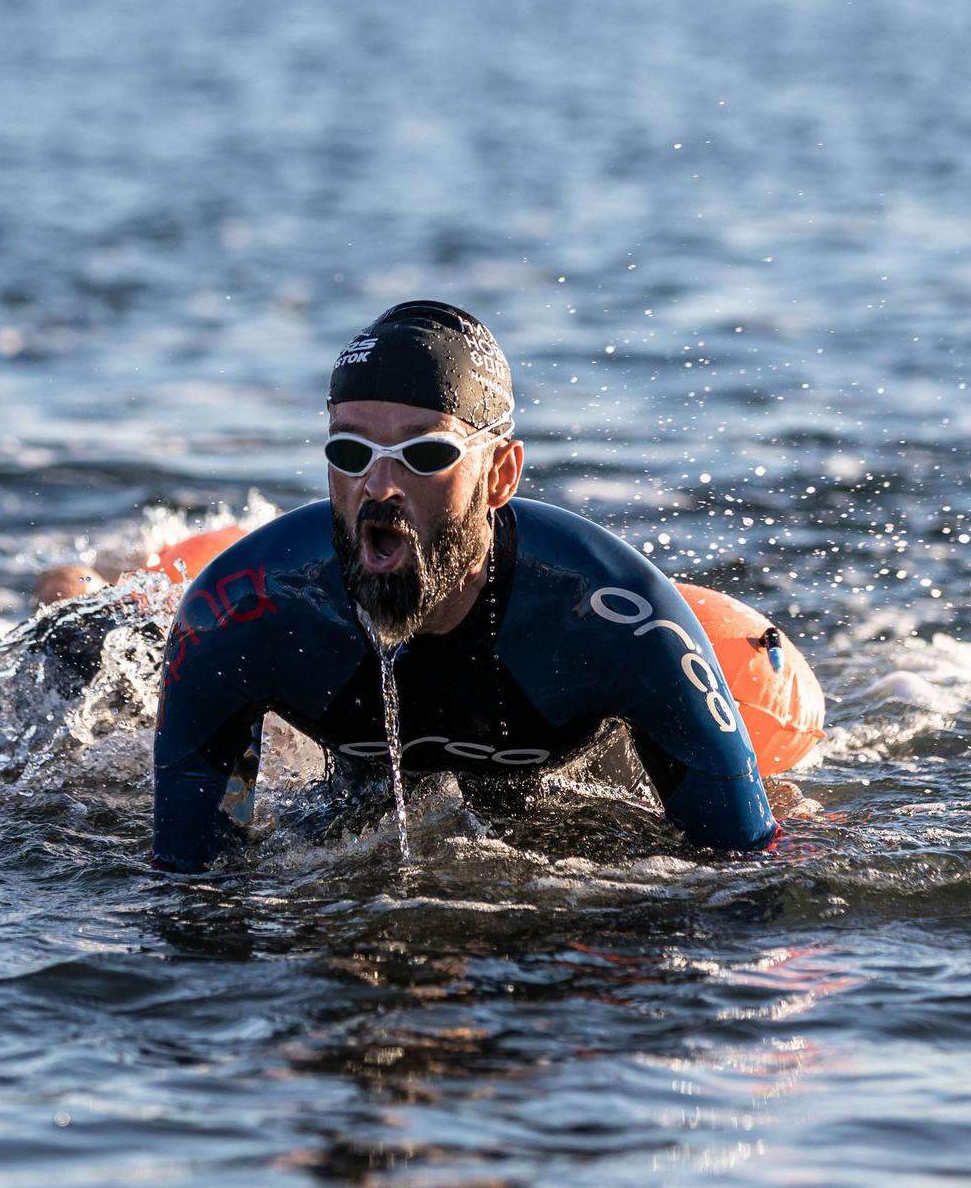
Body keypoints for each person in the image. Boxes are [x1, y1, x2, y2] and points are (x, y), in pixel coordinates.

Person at [151, 300, 780, 871]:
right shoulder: (238, 611)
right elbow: (186, 885)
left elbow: (748, 876)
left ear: (500, 476)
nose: (379, 486)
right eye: (351, 452)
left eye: (424, 456)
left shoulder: (618, 618)